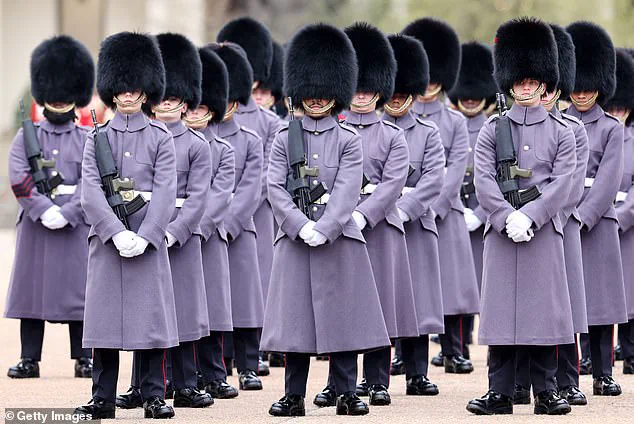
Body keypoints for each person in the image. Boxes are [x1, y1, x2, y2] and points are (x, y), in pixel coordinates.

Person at [261, 23, 390, 417]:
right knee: (295, 324)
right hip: (296, 238)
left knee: (344, 321)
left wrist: (327, 226)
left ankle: (348, 392)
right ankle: (293, 395)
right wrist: (300, 225)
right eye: (310, 93)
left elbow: (350, 188)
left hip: (340, 239)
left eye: (324, 93)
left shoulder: (349, 139)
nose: (316, 100)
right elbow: (275, 187)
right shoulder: (285, 138)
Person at [467, 17, 575, 415]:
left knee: (542, 317)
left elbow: (564, 182)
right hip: (501, 232)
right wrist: (503, 217)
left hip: (542, 232)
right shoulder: (493, 130)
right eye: (520, 81)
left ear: (545, 83)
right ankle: (499, 392)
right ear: (509, 83)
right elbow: (483, 178)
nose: (526, 87)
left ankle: (547, 392)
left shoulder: (562, 132)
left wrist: (530, 216)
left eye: (533, 81)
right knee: (501, 316)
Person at [312, 22, 417, 408]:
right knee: (340, 304)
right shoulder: (332, 132)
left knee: (379, 306)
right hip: (338, 227)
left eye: (369, 90)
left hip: (377, 229)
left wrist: (363, 215)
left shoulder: (392, 134)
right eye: (356, 88)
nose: (361, 96)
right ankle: (339, 381)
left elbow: (393, 183)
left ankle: (377, 379)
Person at [74, 32, 178, 420]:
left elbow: (166, 192)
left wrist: (147, 235)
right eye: (122, 88)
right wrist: (115, 232)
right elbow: (90, 192)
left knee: (149, 323)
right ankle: (102, 397)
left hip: (147, 240)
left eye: (136, 88)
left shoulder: (161, 138)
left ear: (146, 90)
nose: (129, 94)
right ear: (112, 91)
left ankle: (153, 395)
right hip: (108, 240)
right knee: (104, 326)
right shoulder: (96, 138)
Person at [116, 32, 213, 410]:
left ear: (185, 101)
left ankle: (186, 382)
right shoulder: (140, 137)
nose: (169, 101)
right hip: (144, 229)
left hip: (180, 234)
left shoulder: (196, 145)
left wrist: (175, 231)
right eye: (165, 95)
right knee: (146, 311)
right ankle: (142, 384)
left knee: (183, 312)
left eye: (176, 96)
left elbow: (199, 197)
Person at [5, 35, 94, 380]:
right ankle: (30, 358)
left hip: (76, 222)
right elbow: (18, 176)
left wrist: (69, 212)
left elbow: (93, 181)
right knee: (31, 294)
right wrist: (43, 209)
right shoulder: (27, 136)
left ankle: (84, 357)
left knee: (80, 294)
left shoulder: (87, 138)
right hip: (37, 224)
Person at [513, 23, 590, 407]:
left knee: (565, 308)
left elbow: (572, 185)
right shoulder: (510, 127)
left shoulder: (572, 129)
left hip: (559, 224)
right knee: (525, 306)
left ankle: (567, 378)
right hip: (526, 224)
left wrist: (539, 214)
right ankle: (522, 380)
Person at [403, 18, 479, 373]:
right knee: (408, 286)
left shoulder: (454, 122)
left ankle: (454, 349)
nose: (431, 83)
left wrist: (433, 205)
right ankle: (405, 354)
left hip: (445, 213)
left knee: (453, 290)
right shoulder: (402, 117)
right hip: (406, 211)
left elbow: (456, 168)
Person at [382, 33, 446, 396]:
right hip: (378, 225)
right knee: (382, 299)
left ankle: (417, 374)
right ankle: (375, 374)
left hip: (416, 224)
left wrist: (403, 210)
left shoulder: (428, 132)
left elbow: (433, 179)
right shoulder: (365, 132)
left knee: (418, 302)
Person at [218, 22, 283, 376]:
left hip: (255, 217)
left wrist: (236, 210)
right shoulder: (209, 119)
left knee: (251, 288)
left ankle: (251, 355)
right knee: (218, 288)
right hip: (212, 216)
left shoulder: (270, 122)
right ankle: (219, 358)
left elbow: (264, 175)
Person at [566, 20, 627, 396]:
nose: (583, 92)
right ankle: (568, 375)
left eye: (590, 86)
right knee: (569, 301)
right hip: (562, 218)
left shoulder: (611, 129)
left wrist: (584, 216)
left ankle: (603, 373)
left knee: (602, 306)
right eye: (578, 85)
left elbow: (608, 182)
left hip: (598, 221)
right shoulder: (559, 124)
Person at [207, 41, 266, 391]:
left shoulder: (250, 138)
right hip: (205, 229)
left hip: (239, 228)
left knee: (244, 302)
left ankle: (248, 365)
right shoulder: (200, 136)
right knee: (212, 301)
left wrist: (228, 223)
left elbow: (252, 187)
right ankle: (215, 366)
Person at [185, 46, 239, 400]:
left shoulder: (223, 149)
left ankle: (215, 373)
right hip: (177, 236)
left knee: (214, 309)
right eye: (192, 106)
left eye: (203, 108)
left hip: (208, 236)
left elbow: (220, 194)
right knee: (181, 309)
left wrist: (196, 227)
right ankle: (179, 375)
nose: (196, 113)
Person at [446, 41, 499, 359]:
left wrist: (480, 212)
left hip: (485, 215)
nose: (469, 99)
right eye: (464, 94)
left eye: (476, 93)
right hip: (454, 211)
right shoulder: (449, 127)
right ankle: (457, 346)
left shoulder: (493, 127)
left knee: (484, 283)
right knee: (458, 285)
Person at [607, 48, 634, 377]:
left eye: (622, 109)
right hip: (594, 221)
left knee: (630, 293)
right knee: (591, 292)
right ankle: (588, 354)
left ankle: (630, 351)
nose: (617, 114)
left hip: (627, 224)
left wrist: (623, 217)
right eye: (612, 108)